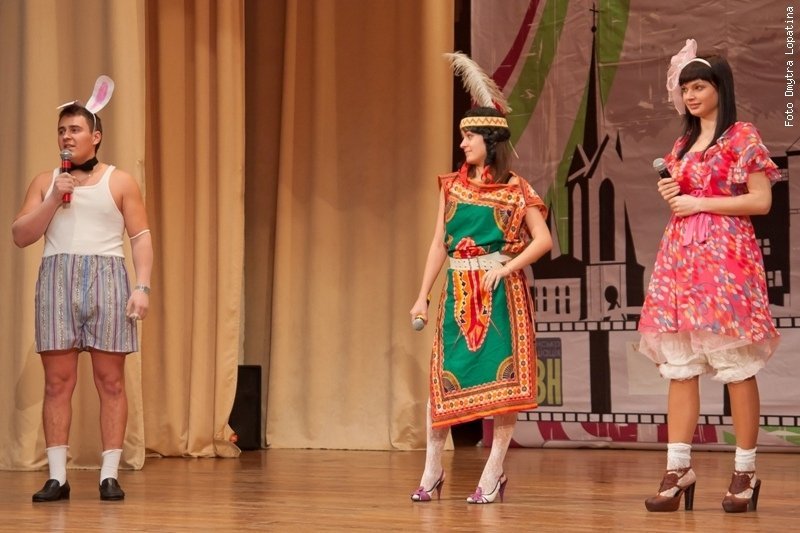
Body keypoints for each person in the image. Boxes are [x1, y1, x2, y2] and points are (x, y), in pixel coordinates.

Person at [638, 39, 780, 513]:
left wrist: (700, 201)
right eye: (685, 89)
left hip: (725, 256)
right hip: (681, 257)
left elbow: (761, 200)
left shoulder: (741, 136)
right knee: (681, 366)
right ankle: (677, 469)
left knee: (736, 365)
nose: (690, 96)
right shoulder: (682, 143)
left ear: (721, 87)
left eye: (699, 86)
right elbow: (684, 197)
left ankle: (745, 471)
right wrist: (674, 195)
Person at [409, 53, 552, 505]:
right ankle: (432, 471)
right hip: (457, 292)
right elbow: (439, 243)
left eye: (469, 136)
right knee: (443, 380)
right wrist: (422, 295)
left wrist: (506, 268)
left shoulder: (516, 189)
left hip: (501, 293)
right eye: (462, 136)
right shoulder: (451, 186)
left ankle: (493, 473)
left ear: (490, 140)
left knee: (504, 386)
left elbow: (543, 240)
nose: (462, 143)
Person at [11, 81, 152, 502]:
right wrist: (53, 199)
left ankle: (109, 475)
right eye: (61, 130)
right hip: (57, 280)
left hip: (108, 280)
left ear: (96, 135)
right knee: (57, 383)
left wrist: (142, 287)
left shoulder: (120, 181)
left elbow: (141, 236)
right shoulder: (46, 182)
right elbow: (21, 235)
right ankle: (57, 477)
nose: (67, 137)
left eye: (75, 129)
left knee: (111, 382)